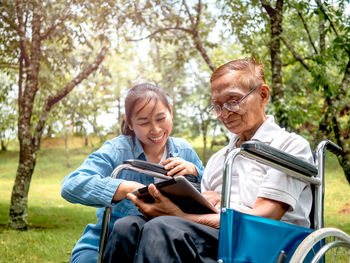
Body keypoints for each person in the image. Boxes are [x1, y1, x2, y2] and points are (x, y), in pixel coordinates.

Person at [102, 58, 314, 263]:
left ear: (263, 94)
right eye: (218, 106)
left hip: (268, 243)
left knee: (164, 227)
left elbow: (264, 217)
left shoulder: (289, 147)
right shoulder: (219, 159)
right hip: (219, 234)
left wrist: (181, 216)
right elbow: (205, 209)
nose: (225, 114)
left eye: (233, 101)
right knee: (127, 226)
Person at [61, 83, 205, 263]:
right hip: (107, 241)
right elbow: (71, 184)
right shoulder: (117, 149)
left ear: (171, 111)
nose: (156, 129)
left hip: (162, 245)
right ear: (129, 122)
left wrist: (196, 172)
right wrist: (122, 188)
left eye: (161, 118)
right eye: (144, 122)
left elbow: (212, 192)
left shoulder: (184, 151)